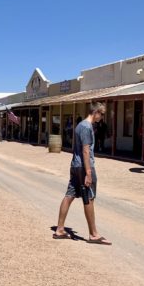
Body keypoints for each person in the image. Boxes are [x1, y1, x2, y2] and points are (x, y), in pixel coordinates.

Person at [54, 102, 111, 245]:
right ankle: (93, 234)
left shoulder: (79, 125)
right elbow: (86, 150)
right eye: (102, 114)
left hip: (75, 165)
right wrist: (89, 172)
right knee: (89, 197)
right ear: (96, 112)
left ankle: (59, 229)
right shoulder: (86, 127)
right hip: (83, 166)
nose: (102, 117)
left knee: (69, 195)